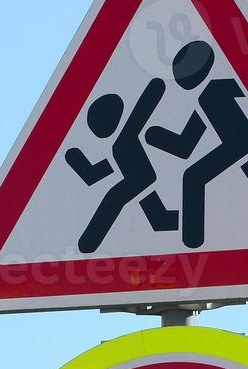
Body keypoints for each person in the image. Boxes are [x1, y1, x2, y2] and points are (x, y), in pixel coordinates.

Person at [145, 40, 248, 249]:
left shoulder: (218, 89)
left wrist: (154, 135)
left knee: (193, 177)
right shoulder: (207, 97)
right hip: (243, 145)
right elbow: (185, 146)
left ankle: (192, 241)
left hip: (239, 142)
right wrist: (156, 136)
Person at [65, 80, 179, 254]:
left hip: (140, 178)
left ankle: (87, 245)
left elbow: (146, 104)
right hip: (141, 179)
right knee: (153, 213)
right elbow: (95, 173)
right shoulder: (120, 143)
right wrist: (80, 163)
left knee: (115, 199)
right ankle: (86, 246)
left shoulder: (124, 139)